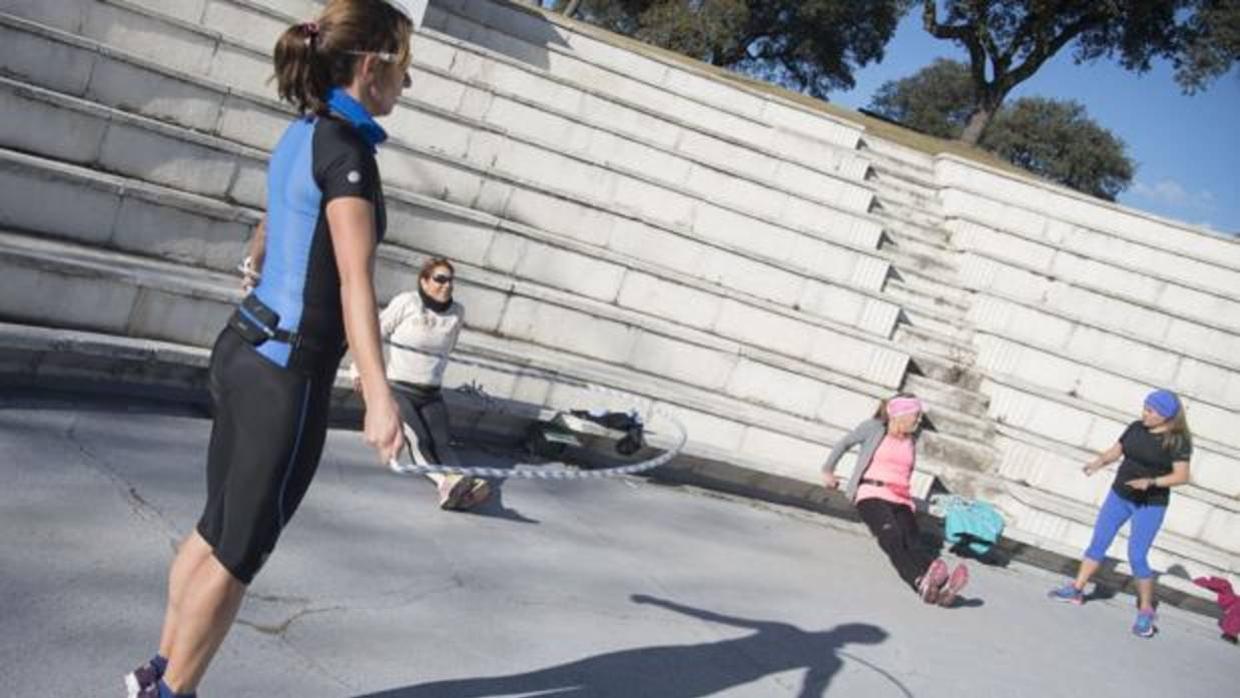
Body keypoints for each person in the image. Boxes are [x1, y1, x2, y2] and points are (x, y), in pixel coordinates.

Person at [125, 2, 416, 696]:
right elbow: (354, 281)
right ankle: (173, 691)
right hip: (286, 377)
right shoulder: (349, 155)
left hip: (244, 350)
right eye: (406, 69)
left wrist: (255, 258)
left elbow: (276, 218)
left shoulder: (306, 132)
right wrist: (379, 397)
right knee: (239, 555)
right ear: (372, 67)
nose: (409, 85)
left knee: (214, 531)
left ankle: (157, 674)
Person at [1048, 389, 1192, 638]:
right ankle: (1077, 589)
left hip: (1150, 504)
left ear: (1166, 416)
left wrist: (1152, 482)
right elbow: (1117, 450)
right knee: (1098, 542)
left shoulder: (1177, 441)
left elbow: (1182, 476)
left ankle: (1146, 610)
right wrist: (1098, 462)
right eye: (1145, 408)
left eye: (1151, 411)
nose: (1144, 414)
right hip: (1119, 496)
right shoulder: (1136, 427)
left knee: (1137, 556)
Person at [353, 257, 491, 510]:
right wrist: (358, 372)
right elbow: (374, 334)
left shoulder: (457, 313)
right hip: (399, 389)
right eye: (440, 279)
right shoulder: (407, 303)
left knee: (442, 441)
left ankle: (463, 484)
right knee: (419, 441)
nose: (447, 285)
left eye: (450, 280)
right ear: (424, 281)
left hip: (430, 393)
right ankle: (444, 484)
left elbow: (448, 348)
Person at [821, 395, 969, 606]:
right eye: (916, 416)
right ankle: (920, 582)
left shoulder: (910, 439)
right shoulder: (873, 428)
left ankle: (942, 586)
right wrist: (828, 471)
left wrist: (906, 499)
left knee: (914, 543)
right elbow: (845, 443)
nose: (919, 421)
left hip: (900, 498)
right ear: (900, 414)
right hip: (871, 493)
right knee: (893, 538)